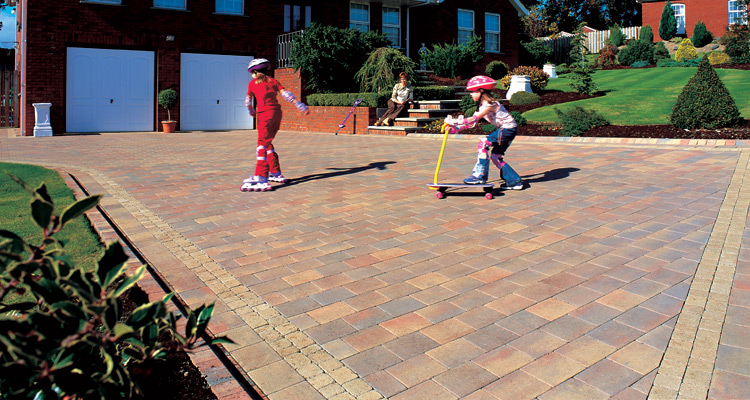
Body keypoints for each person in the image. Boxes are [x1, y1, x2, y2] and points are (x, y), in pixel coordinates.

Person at [241, 58, 310, 192]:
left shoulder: (252, 83)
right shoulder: (273, 81)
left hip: (264, 114)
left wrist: (251, 111)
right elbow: (286, 94)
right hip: (277, 113)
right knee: (268, 142)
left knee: (261, 143)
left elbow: (247, 101)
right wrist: (298, 104)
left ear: (255, 72)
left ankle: (261, 176)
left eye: (251, 73)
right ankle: (275, 171)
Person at [461, 75, 523, 190]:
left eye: (473, 91)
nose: (471, 94)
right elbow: (472, 123)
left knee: (483, 143)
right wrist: (455, 128)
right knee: (496, 157)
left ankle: (479, 176)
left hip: (507, 129)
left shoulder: (490, 104)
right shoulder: (482, 106)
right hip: (509, 129)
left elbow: (474, 118)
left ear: (481, 91)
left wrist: (455, 121)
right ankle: (514, 181)